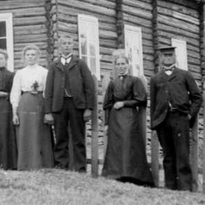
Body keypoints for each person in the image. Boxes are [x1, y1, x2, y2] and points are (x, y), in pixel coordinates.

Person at [149, 43, 202, 191]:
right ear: (160, 58)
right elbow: (153, 103)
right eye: (165, 55)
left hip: (180, 119)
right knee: (168, 155)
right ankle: (170, 186)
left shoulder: (185, 75)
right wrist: (154, 123)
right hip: (163, 121)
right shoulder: (155, 79)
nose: (168, 58)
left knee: (182, 154)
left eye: (170, 55)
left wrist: (190, 115)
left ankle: (185, 187)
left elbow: (197, 97)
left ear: (175, 57)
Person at [101, 49, 154, 186]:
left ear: (128, 65)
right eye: (118, 64)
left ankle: (132, 175)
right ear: (115, 66)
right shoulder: (113, 84)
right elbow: (107, 104)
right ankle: (116, 173)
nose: (121, 66)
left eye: (123, 64)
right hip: (115, 119)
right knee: (116, 146)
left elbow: (141, 99)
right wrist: (106, 123)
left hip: (129, 117)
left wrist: (124, 103)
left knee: (129, 144)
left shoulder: (134, 81)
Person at [43, 34, 96, 172]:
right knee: (61, 137)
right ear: (60, 46)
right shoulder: (54, 65)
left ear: (72, 45)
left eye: (69, 43)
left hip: (76, 105)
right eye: (64, 43)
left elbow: (89, 87)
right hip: (59, 106)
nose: (67, 46)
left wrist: (88, 108)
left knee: (78, 138)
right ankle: (62, 166)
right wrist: (48, 111)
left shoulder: (80, 64)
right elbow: (48, 90)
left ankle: (80, 168)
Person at [10, 43, 53, 170]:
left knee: (40, 132)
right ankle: (25, 164)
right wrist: (14, 113)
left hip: (39, 104)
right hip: (25, 104)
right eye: (28, 55)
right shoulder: (20, 73)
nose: (30, 57)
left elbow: (47, 92)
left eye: (33, 54)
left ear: (38, 56)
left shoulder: (44, 72)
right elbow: (15, 93)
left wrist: (47, 110)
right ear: (24, 57)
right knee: (25, 133)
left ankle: (42, 163)